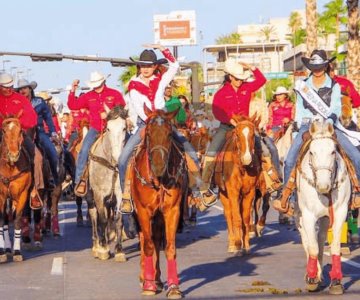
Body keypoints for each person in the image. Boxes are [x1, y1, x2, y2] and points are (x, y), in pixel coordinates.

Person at [273, 49, 360, 214]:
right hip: (308, 126)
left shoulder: (334, 86)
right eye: (314, 66)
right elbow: (299, 110)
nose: (318, 69)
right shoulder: (303, 86)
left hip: (330, 125)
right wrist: (302, 127)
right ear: (310, 67)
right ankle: (287, 195)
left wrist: (327, 123)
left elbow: (335, 107)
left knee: (355, 155)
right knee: (290, 159)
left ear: (326, 66)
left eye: (320, 65)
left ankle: (357, 191)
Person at [118, 44, 202, 214]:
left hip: (164, 122)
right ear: (139, 67)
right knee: (123, 159)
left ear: (155, 66)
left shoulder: (160, 79)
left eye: (149, 65)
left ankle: (198, 190)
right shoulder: (133, 85)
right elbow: (140, 108)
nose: (146, 69)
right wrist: (152, 119)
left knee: (191, 152)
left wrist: (163, 48)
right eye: (142, 65)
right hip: (145, 123)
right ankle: (126, 195)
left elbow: (175, 66)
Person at [200, 59, 281, 209]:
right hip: (227, 127)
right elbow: (217, 111)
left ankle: (271, 180)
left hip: (245, 127)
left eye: (242, 78)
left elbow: (262, 80)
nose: (240, 81)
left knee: (263, 148)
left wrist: (251, 67)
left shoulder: (247, 88)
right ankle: (206, 189)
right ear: (230, 77)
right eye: (237, 78)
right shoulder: (221, 93)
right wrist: (230, 120)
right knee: (211, 152)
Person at [67, 71, 126, 196]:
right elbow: (73, 105)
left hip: (114, 129)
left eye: (98, 84)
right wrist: (73, 90)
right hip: (95, 129)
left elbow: (122, 109)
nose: (97, 87)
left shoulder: (114, 94)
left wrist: (109, 115)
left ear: (104, 82)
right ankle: (80, 180)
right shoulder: (88, 96)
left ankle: (129, 180)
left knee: (129, 150)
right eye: (94, 84)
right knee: (83, 150)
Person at [0, 73, 39, 206]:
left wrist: (18, 124)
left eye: (10, 86)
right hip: (1, 132)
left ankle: (34, 190)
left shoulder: (20, 99)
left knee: (37, 157)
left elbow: (32, 117)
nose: (8, 89)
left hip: (17, 133)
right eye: (5, 87)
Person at [16, 79, 60, 188]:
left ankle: (53, 178)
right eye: (20, 89)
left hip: (39, 131)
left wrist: (53, 133)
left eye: (25, 88)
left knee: (52, 152)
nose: (23, 90)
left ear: (30, 89)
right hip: (21, 132)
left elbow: (48, 118)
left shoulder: (40, 101)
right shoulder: (17, 102)